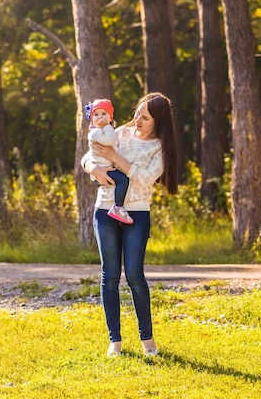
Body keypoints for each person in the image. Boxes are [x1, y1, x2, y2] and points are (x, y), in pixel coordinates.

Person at [81, 92, 178, 358]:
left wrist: (114, 156)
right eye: (137, 112)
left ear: (157, 122)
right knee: (109, 275)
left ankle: (147, 340)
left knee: (135, 275)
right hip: (104, 210)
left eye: (144, 117)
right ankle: (115, 341)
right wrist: (93, 169)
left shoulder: (159, 147)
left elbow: (146, 178)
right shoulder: (118, 132)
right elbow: (87, 156)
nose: (137, 119)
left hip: (137, 215)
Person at [84, 98, 133, 224]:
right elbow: (110, 140)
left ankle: (118, 206)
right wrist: (107, 125)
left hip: (106, 167)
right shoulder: (95, 132)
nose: (100, 117)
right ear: (91, 119)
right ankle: (118, 207)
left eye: (104, 114)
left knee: (121, 179)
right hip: (102, 169)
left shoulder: (102, 130)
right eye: (96, 114)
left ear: (111, 117)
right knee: (123, 180)